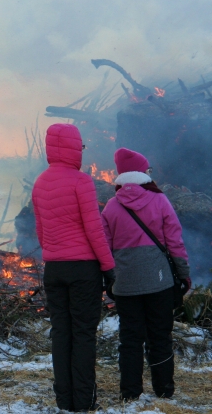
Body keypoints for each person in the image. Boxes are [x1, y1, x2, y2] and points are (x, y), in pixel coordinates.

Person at [31, 123, 115, 412]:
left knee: (61, 333)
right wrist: (108, 268)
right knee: (83, 335)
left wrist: (54, 253)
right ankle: (83, 400)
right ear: (73, 147)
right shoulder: (81, 182)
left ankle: (64, 399)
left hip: (54, 269)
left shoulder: (40, 182)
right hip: (83, 271)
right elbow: (94, 230)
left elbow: (41, 231)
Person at [101, 148, 191, 401]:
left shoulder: (111, 206)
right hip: (159, 281)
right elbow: (175, 242)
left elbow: (105, 248)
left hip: (126, 283)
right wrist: (184, 275)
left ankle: (130, 393)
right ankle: (164, 391)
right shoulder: (160, 200)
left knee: (130, 339)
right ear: (143, 173)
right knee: (160, 336)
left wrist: (110, 278)